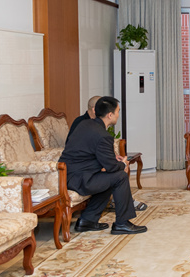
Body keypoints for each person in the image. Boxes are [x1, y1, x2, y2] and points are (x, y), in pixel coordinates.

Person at [59, 96, 147, 235]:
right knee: (120, 176)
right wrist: (123, 163)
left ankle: (87, 221)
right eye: (118, 111)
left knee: (109, 179)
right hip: (80, 180)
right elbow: (112, 167)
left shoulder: (85, 124)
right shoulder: (103, 135)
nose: (118, 114)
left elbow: (89, 151)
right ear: (110, 115)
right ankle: (122, 223)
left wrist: (113, 158)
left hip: (70, 176)